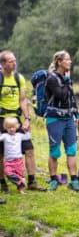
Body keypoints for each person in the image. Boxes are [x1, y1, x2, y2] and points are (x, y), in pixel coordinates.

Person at [0, 50, 46, 192]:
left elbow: (23, 100)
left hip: (16, 119)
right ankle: (3, 184)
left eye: (15, 60)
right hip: (1, 118)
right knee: (1, 153)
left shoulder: (18, 78)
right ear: (3, 64)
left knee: (29, 148)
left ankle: (32, 181)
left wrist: (27, 119)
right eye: (10, 61)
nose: (14, 63)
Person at [44, 51, 79, 192]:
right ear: (59, 62)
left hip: (68, 119)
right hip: (54, 119)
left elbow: (71, 98)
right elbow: (61, 96)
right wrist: (66, 81)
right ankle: (53, 180)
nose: (70, 62)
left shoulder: (67, 78)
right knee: (54, 151)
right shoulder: (51, 78)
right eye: (67, 59)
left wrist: (77, 114)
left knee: (71, 150)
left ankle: (74, 180)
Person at [0, 117, 32, 193]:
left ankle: (21, 189)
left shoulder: (19, 135)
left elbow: (27, 137)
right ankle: (20, 181)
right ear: (5, 128)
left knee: (19, 174)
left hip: (19, 161)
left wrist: (27, 131)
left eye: (13, 127)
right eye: (9, 127)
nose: (11, 129)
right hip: (9, 161)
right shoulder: (5, 136)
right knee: (7, 172)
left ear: (17, 127)